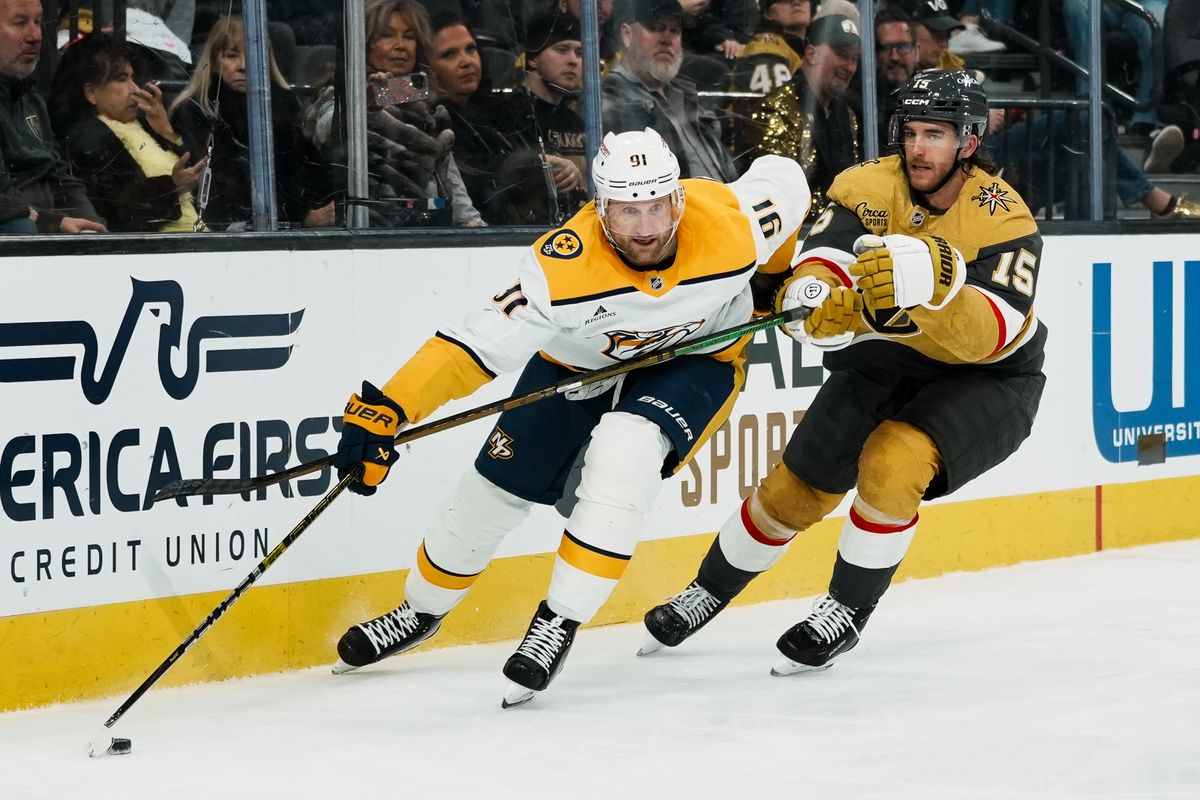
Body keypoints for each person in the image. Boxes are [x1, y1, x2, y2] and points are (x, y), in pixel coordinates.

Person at [329, 128, 810, 707]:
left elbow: (789, 180)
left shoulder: (733, 221)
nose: (647, 227)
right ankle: (421, 610)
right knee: (491, 491)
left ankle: (557, 621)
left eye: (657, 205)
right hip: (578, 363)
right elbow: (472, 347)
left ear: (678, 198)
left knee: (625, 452)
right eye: (627, 211)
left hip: (697, 360)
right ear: (599, 207)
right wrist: (388, 408)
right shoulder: (561, 267)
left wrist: (771, 280)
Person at [641, 71, 1048, 677]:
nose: (917, 148)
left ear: (968, 141)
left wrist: (939, 292)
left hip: (987, 379)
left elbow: (993, 336)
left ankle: (845, 610)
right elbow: (828, 257)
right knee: (791, 490)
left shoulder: (1002, 217)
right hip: (884, 363)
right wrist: (811, 293)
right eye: (910, 132)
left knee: (893, 461)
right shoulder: (867, 183)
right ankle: (708, 591)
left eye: (934, 135)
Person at [303, 0, 483, 227]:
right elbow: (327, 132)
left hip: (423, 234)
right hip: (363, 237)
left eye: (408, 36)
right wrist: (362, 106)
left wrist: (470, 220)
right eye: (388, 35)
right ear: (365, 43)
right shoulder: (337, 93)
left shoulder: (424, 101)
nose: (400, 45)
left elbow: (448, 176)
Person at [170, 16, 335, 230]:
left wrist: (312, 213)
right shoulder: (193, 111)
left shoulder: (284, 105)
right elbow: (212, 190)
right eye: (231, 56)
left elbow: (305, 171)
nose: (244, 66)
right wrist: (300, 218)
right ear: (214, 61)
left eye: (253, 55)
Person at [51, 34, 205, 233]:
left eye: (132, 78)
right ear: (91, 93)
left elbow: (206, 186)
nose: (134, 89)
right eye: (122, 79)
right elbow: (120, 211)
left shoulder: (147, 122)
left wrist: (167, 131)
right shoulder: (84, 142)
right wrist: (171, 187)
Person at [602, 0, 739, 181]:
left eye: (674, 31)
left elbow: (727, 170)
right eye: (656, 28)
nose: (667, 39)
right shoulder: (608, 96)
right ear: (627, 35)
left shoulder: (687, 96)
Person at [0, 0, 105, 234]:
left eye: (37, 22)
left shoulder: (31, 98)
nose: (35, 35)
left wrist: (92, 228)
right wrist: (55, 224)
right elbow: (5, 196)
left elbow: (59, 175)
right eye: (20, 23)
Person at [739, 14, 860, 213]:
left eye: (854, 59)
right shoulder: (776, 108)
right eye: (842, 55)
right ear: (811, 54)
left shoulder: (847, 115)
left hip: (839, 229)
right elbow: (774, 197)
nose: (849, 66)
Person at [495, 12, 587, 225]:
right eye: (561, 50)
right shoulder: (505, 112)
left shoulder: (576, 120)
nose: (573, 60)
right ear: (533, 59)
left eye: (580, 53)